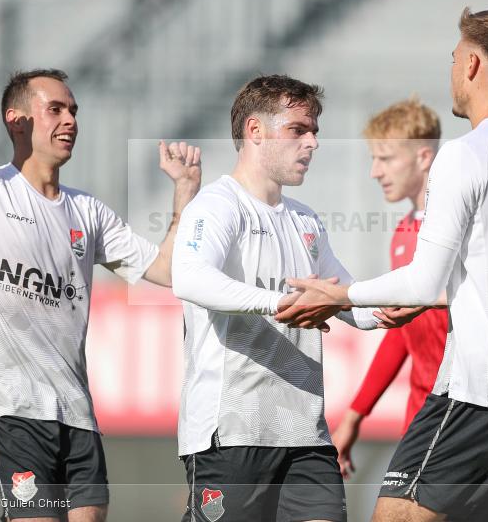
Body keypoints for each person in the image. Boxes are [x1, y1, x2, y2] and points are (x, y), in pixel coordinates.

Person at [278, 7, 488, 522]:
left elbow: (421, 279)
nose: (452, 68)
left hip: (484, 390)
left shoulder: (467, 154)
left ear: (475, 64)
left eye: (455, 56)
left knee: (396, 515)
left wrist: (337, 294)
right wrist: (437, 300)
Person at [0, 54, 202, 522]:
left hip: (77, 413)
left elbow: (170, 271)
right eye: (56, 109)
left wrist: (185, 192)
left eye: (73, 111)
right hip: (12, 407)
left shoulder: (88, 212)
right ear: (17, 120)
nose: (70, 120)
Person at [171, 75, 422, 522]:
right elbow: (189, 279)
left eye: (315, 132)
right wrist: (279, 304)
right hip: (232, 435)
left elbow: (344, 300)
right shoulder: (217, 206)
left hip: (307, 438)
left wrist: (387, 309)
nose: (312, 143)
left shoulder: (306, 221)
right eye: (298, 130)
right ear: (255, 131)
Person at [331, 97, 449, 480]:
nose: (374, 171)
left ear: (423, 157)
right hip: (420, 410)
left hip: (462, 410)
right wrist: (355, 413)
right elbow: (403, 331)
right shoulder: (403, 233)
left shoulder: (458, 225)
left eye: (385, 159)